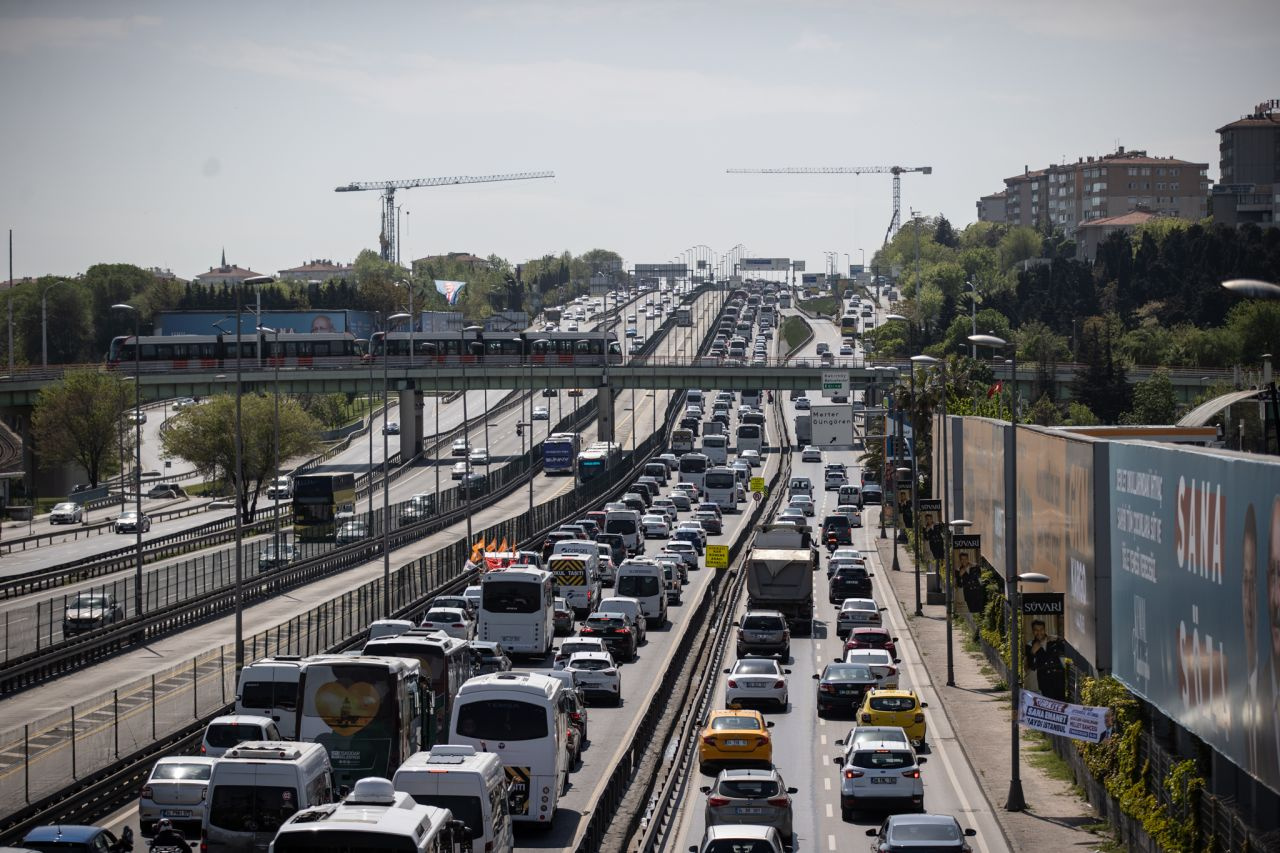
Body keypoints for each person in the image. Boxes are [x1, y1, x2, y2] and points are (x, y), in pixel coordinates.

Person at [1026, 618, 1066, 701]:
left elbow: (1065, 651)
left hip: (1058, 677)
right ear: (1033, 631)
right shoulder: (1030, 645)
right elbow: (1031, 666)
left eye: (1041, 630)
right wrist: (1032, 652)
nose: (1039, 632)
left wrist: (1059, 639)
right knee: (1049, 705)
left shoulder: (1054, 640)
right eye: (1036, 630)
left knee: (1061, 704)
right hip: (1044, 680)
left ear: (1044, 629)